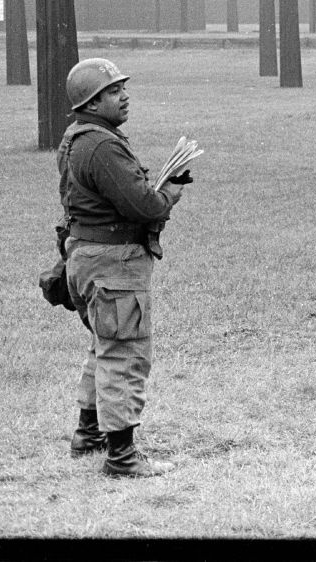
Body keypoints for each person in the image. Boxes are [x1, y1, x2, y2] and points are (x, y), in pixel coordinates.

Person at [57, 57, 190, 478]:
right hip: (113, 265)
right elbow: (143, 207)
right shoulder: (101, 145)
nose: (124, 96)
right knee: (124, 354)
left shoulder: (76, 137)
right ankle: (121, 457)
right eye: (113, 92)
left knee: (103, 346)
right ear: (92, 103)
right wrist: (169, 191)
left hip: (86, 257)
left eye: (121, 88)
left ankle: (89, 434)